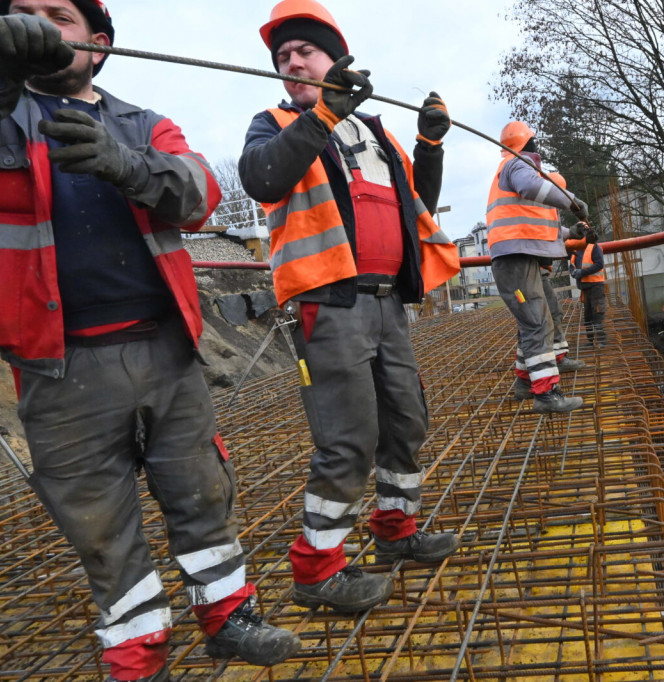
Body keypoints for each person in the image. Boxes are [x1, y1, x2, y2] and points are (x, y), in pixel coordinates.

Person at [0, 1, 300, 680]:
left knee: (200, 490)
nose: (38, 24)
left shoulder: (142, 124)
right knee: (99, 521)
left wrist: (128, 165)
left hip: (165, 347)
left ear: (98, 44)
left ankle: (227, 614)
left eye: (56, 14)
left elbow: (201, 194)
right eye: (21, 13)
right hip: (58, 362)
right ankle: (136, 651)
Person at [239, 0, 462, 615]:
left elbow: (418, 202)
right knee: (348, 439)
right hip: (328, 305)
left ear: (336, 56)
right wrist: (322, 113)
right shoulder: (274, 123)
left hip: (388, 303)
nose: (291, 63)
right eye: (282, 58)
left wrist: (430, 145)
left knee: (406, 421)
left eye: (303, 52)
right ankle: (316, 569)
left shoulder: (374, 133)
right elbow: (261, 178)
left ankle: (395, 532)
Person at [486, 121, 589, 413]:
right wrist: (572, 202)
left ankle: (525, 384)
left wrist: (570, 232)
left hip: (518, 259)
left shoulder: (509, 169)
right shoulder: (517, 164)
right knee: (536, 324)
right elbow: (531, 185)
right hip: (514, 261)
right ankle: (546, 394)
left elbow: (534, 224)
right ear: (527, 143)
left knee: (533, 322)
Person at [571, 228, 607, 348]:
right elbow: (572, 265)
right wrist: (574, 272)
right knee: (588, 316)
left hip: (596, 286)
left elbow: (599, 264)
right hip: (585, 288)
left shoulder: (594, 248)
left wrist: (582, 272)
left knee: (597, 313)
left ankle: (601, 341)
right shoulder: (576, 250)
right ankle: (591, 341)